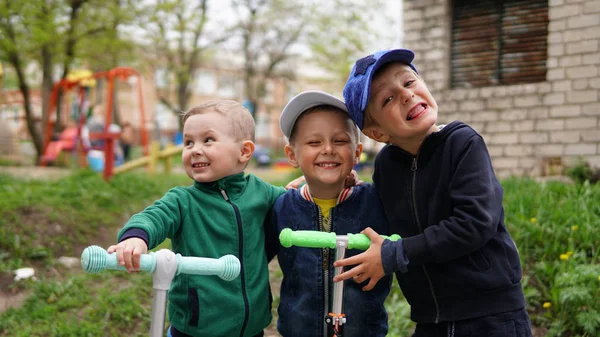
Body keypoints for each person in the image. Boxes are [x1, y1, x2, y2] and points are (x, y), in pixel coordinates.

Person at [332, 49, 532, 337]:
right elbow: (388, 212)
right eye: (388, 99)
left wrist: (396, 253)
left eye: (409, 82)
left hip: (490, 316)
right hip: (430, 320)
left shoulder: (463, 143)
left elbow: (474, 223)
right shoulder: (387, 165)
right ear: (377, 133)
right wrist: (337, 181)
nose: (406, 95)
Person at [107, 100, 285, 337]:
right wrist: (136, 237)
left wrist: (305, 192)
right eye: (188, 142)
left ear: (244, 151)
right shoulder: (183, 200)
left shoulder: (262, 192)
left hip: (251, 329)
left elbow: (295, 204)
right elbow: (155, 216)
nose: (195, 149)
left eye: (208, 140)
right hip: (196, 327)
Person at [266, 91, 392, 337]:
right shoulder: (282, 207)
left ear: (357, 153)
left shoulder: (376, 202)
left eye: (340, 141)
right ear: (292, 155)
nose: (327, 149)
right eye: (314, 143)